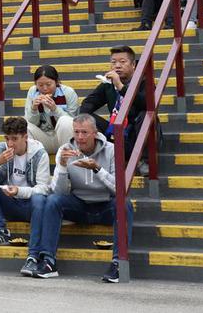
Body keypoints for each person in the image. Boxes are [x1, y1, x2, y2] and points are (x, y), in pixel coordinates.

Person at [33, 113, 131, 283]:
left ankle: (117, 263)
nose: (79, 137)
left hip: (105, 204)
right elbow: (59, 192)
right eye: (76, 132)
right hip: (79, 205)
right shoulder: (65, 150)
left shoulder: (112, 150)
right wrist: (63, 167)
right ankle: (48, 261)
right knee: (52, 201)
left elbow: (119, 189)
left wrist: (97, 169)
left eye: (84, 132)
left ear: (95, 133)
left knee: (124, 204)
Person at [0, 117, 49, 265]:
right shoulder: (0, 148)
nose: (10, 144)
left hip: (30, 207)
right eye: (7, 138)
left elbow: (44, 188)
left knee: (40, 198)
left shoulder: (40, 153)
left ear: (25, 137)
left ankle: (33, 254)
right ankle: (1, 232)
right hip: (8, 203)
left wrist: (19, 191)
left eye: (14, 139)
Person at [79, 46, 147, 170]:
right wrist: (83, 120)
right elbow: (89, 103)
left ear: (133, 65)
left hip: (135, 134)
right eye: (114, 62)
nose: (117, 66)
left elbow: (146, 104)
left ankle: (143, 161)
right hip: (116, 133)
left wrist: (121, 87)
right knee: (86, 118)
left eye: (122, 62)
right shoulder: (108, 84)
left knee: (146, 115)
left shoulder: (143, 82)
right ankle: (97, 156)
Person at [23, 65, 78, 157]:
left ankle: (69, 158)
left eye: (48, 84)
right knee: (23, 124)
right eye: (40, 85)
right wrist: (34, 108)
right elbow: (31, 122)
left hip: (64, 138)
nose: (45, 88)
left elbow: (72, 123)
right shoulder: (32, 92)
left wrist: (54, 109)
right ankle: (33, 162)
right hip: (43, 138)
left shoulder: (68, 92)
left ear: (56, 82)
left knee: (65, 120)